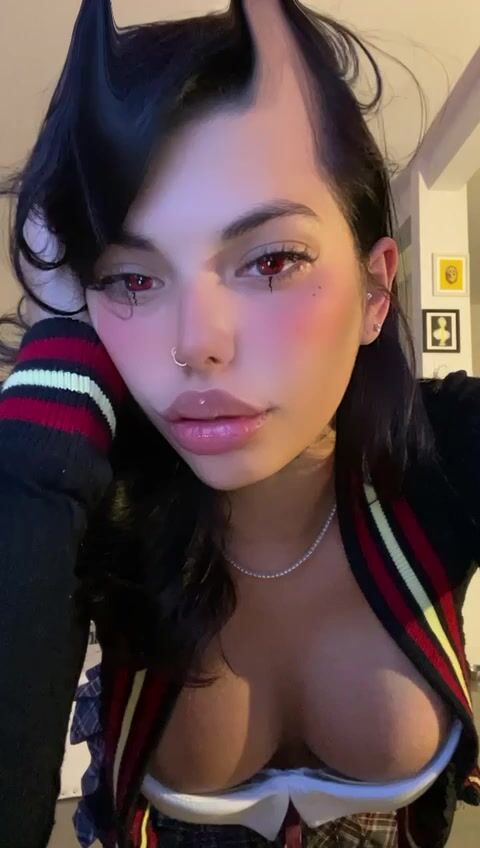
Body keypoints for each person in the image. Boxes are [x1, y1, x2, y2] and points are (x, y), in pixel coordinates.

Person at [0, 1, 479, 847]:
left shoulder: (446, 452)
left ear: (376, 289)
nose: (197, 344)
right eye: (131, 279)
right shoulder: (93, 498)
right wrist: (59, 369)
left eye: (271, 260)